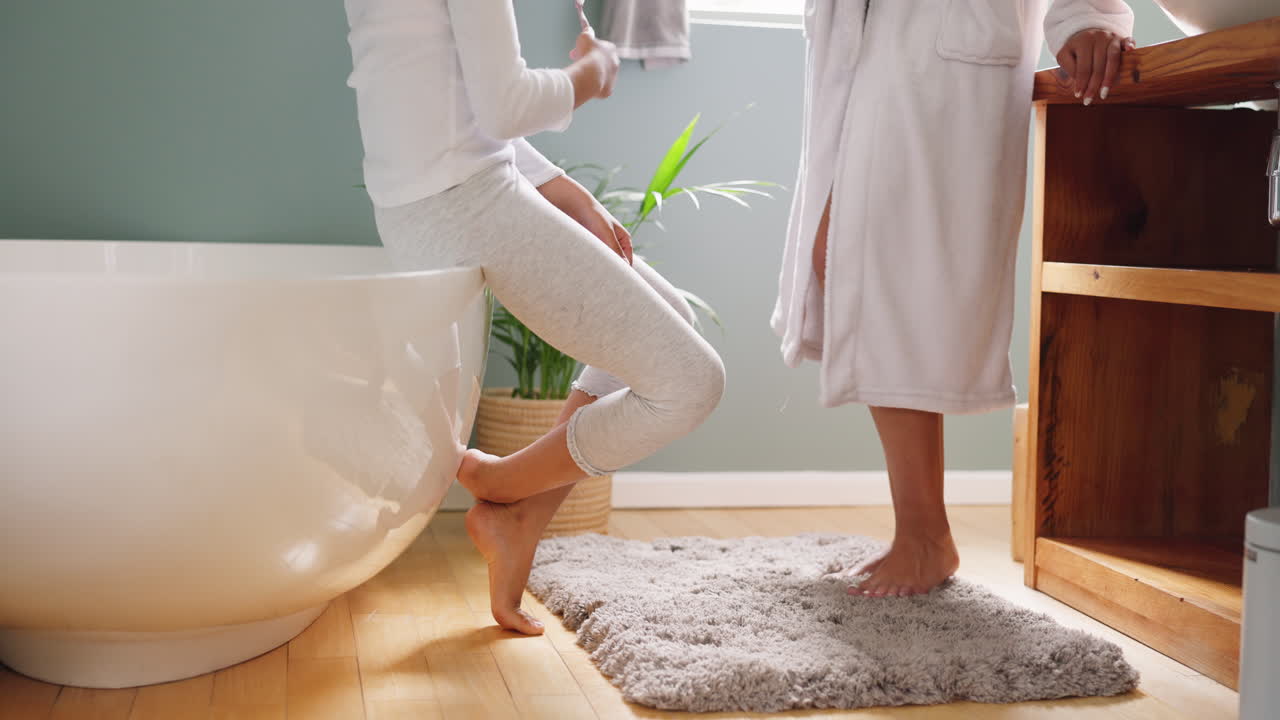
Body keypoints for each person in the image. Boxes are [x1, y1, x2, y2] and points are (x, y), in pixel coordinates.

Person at [343, 0, 725, 634]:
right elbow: (506, 104)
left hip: (447, 197)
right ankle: (502, 483)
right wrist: (593, 74)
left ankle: (520, 520)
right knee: (692, 384)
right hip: (464, 202)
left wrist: (564, 190)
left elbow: (442, 104)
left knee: (672, 313)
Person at [772, 0, 1136, 597]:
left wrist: (1086, 16)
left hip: (951, 42)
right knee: (850, 260)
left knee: (888, 271)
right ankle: (921, 530)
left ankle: (924, 534)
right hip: (869, 35)